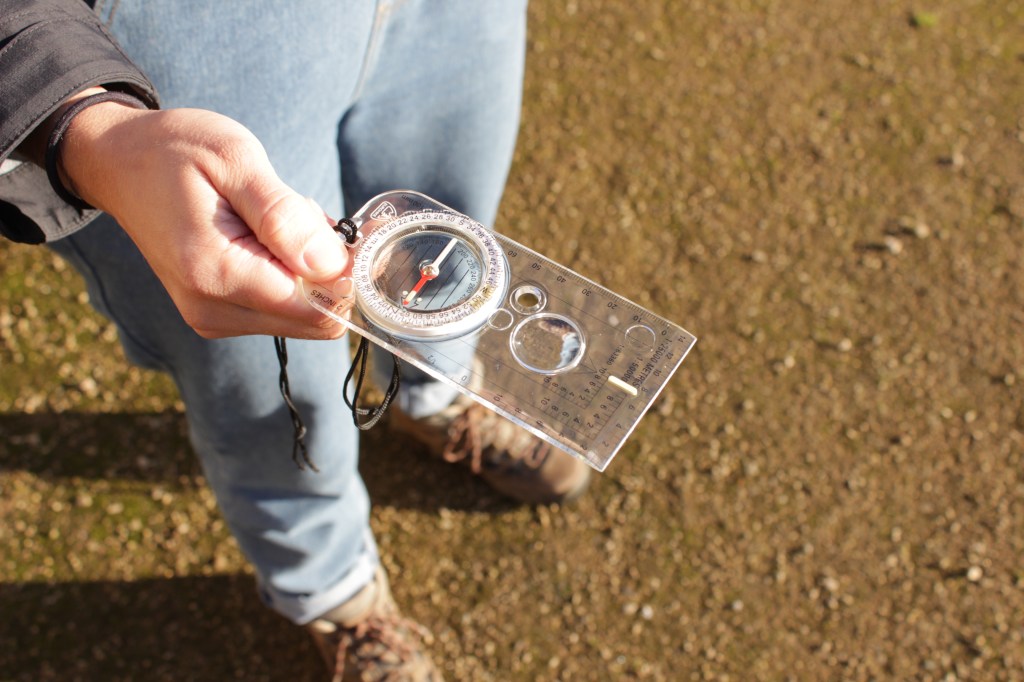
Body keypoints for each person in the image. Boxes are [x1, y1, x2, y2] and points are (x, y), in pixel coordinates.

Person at [0, 1, 592, 679]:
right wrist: (83, 120)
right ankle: (334, 588)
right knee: (259, 380)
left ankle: (436, 396)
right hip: (166, 38)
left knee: (448, 249)